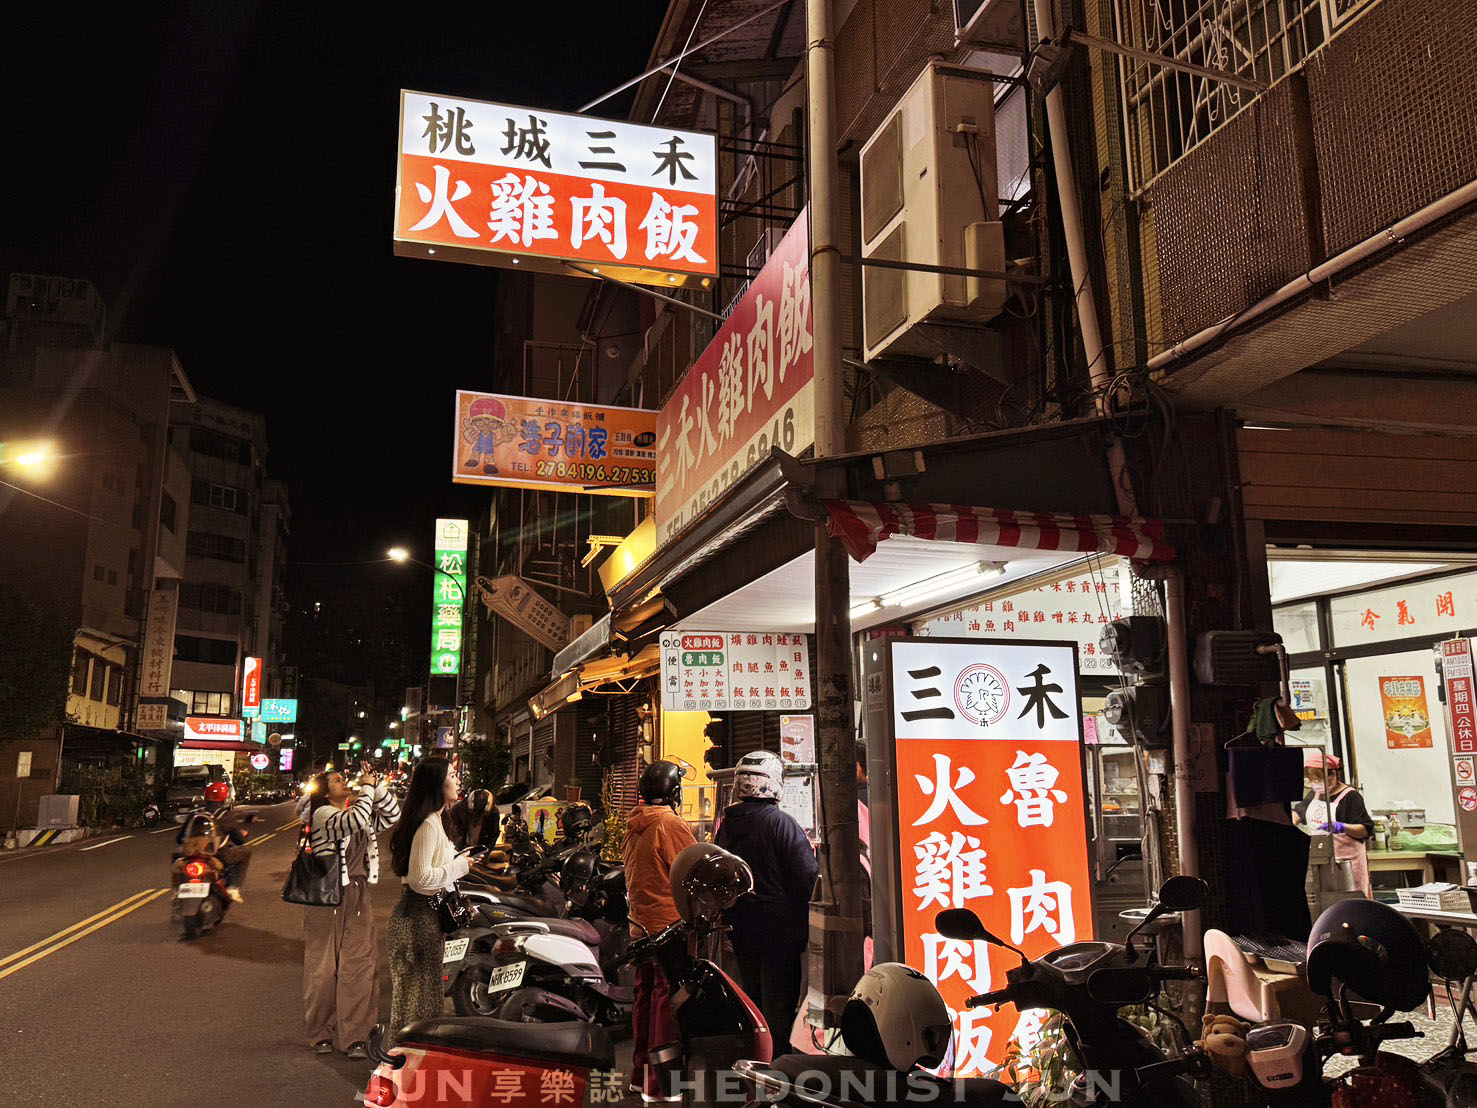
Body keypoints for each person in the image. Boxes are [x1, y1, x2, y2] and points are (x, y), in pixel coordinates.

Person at [714, 750, 819, 1054]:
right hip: (779, 933)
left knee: (753, 1003)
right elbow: (807, 878)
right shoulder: (780, 823)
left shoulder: (727, 825)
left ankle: (757, 1059)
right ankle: (778, 1066)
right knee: (779, 1007)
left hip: (741, 929)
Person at [303, 763, 400, 1057]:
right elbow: (354, 821)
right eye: (336, 780)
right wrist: (367, 788)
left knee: (360, 964)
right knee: (323, 970)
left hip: (357, 894)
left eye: (343, 778)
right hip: (327, 898)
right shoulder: (323, 814)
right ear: (324, 792)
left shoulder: (356, 811)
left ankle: (357, 1035)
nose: (344, 782)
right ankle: (321, 1031)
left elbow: (392, 815)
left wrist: (376, 785)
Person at [388, 757, 479, 1037]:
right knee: (418, 1000)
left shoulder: (436, 820)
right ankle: (407, 1055)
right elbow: (421, 879)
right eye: (452, 775)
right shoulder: (428, 824)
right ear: (437, 785)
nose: (458, 780)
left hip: (424, 917)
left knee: (421, 996)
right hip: (417, 919)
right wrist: (460, 866)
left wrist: (463, 859)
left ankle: (409, 1055)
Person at [623, 760, 696, 1101]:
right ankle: (661, 1086)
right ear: (675, 792)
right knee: (665, 1006)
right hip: (668, 929)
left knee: (644, 1001)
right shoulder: (670, 824)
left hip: (640, 929)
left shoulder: (634, 824)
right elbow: (692, 870)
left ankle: (640, 1077)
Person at [1293, 750, 1374, 897]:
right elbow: (1298, 813)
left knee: (1350, 902)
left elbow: (1365, 830)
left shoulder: (1351, 796)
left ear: (1335, 774)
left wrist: (1342, 827)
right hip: (1321, 861)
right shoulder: (1315, 795)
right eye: (1313, 780)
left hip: (1347, 864)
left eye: (1319, 779)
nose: (1316, 784)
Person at [176, 780, 252, 902]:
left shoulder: (194, 814)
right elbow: (240, 841)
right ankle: (233, 887)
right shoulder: (226, 815)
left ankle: (177, 889)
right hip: (218, 854)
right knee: (247, 850)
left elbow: (180, 839)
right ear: (224, 798)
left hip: (191, 854)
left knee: (176, 855)